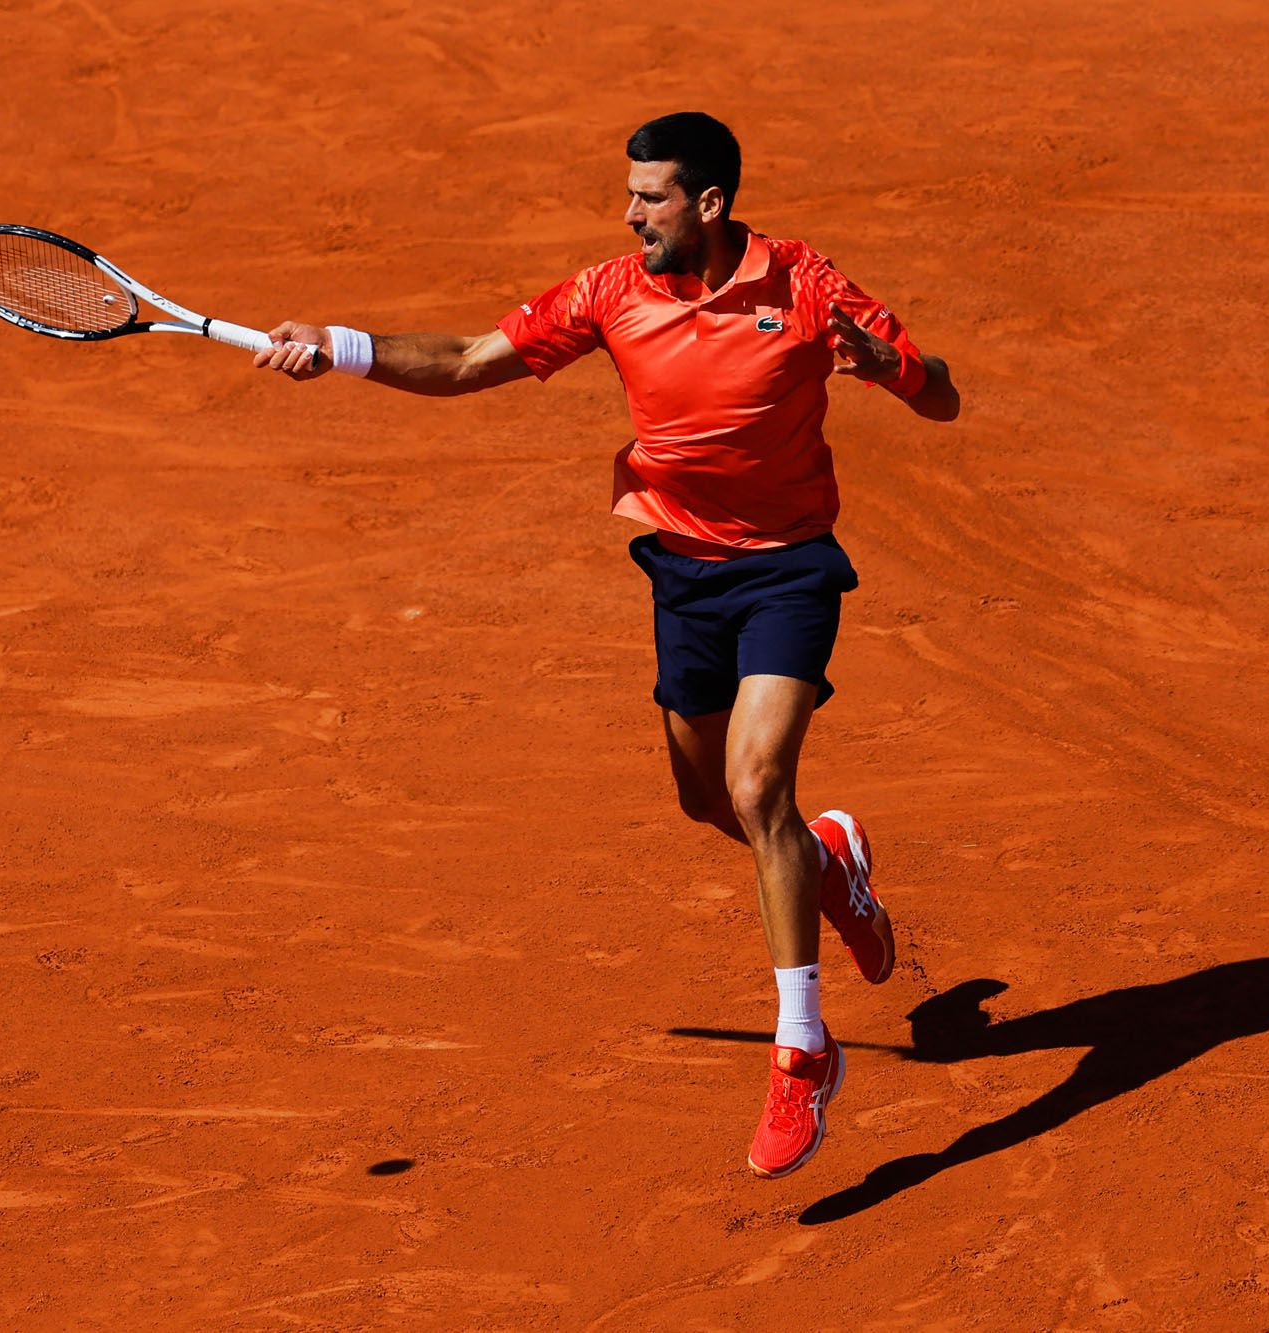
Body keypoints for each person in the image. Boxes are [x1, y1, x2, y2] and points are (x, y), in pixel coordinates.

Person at [256, 111, 960, 1178]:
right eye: (630, 195)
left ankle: (799, 1052)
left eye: (651, 197)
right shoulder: (608, 293)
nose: (630, 214)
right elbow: (461, 359)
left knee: (758, 781)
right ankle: (830, 870)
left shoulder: (807, 287)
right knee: (708, 801)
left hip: (786, 570)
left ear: (709, 203)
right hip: (679, 571)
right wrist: (340, 349)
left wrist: (889, 369)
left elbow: (941, 395)